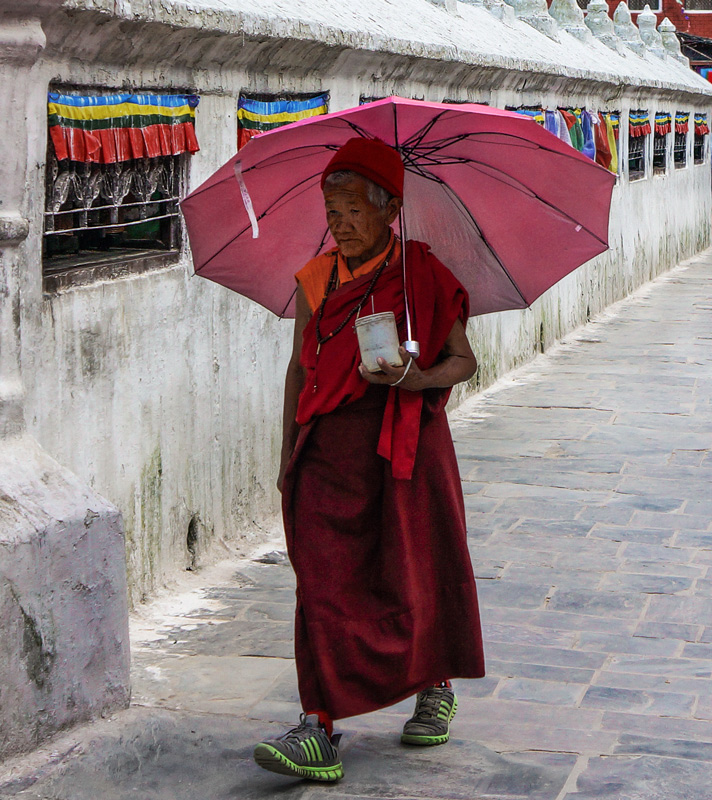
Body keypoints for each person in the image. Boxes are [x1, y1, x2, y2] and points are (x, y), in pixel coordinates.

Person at [252, 138, 486, 782]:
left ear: (390, 210)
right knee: (323, 578)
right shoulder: (316, 278)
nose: (342, 225)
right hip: (328, 449)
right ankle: (319, 723)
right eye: (332, 212)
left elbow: (464, 361)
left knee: (413, 563)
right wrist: (286, 456)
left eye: (354, 210)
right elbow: (300, 370)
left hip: (406, 445)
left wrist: (414, 377)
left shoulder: (420, 274)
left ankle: (434, 683)